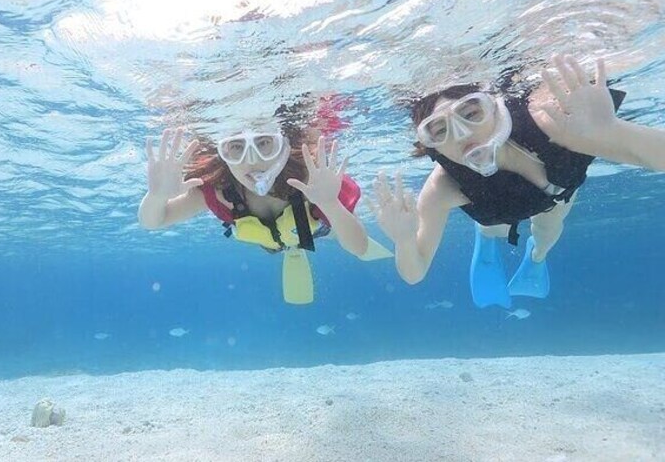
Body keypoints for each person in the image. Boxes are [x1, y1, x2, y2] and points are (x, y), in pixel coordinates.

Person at [368, 54, 665, 308]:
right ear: (430, 147)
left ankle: (535, 258)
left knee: (547, 234)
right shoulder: (443, 188)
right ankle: (486, 235)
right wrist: (405, 240)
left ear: (495, 106)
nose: (461, 134)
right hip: (495, 203)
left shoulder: (552, 121)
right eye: (438, 130)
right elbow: (415, 272)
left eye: (471, 112)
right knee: (493, 223)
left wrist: (613, 133)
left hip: (554, 195)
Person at [139, 116, 391, 305]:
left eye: (264, 143)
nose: (252, 160)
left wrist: (331, 204)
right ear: (222, 153)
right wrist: (157, 196)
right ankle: (289, 245)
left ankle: (297, 241)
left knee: (331, 229)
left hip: (317, 226)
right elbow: (153, 221)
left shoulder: (313, 179)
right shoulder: (217, 190)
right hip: (267, 237)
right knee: (275, 241)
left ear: (283, 145)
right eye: (236, 147)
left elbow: (359, 246)